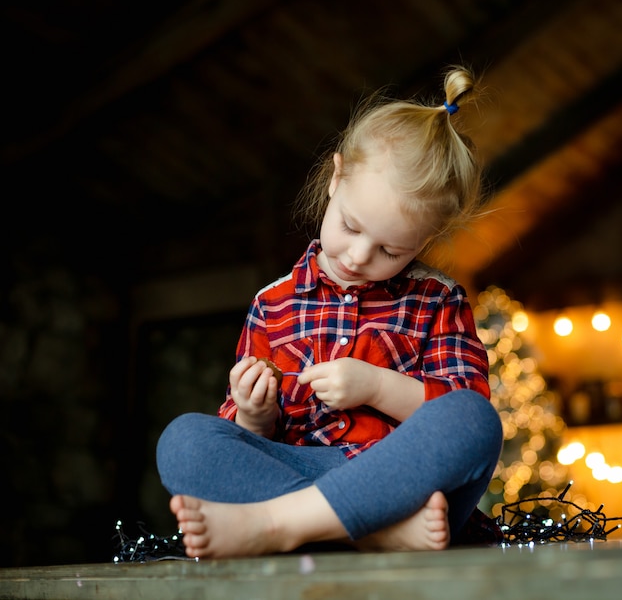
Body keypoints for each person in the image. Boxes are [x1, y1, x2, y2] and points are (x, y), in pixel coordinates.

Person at [156, 66, 503, 559]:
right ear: (336, 177)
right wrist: (255, 414)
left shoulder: (438, 300)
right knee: (183, 441)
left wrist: (377, 386)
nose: (361, 256)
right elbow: (243, 432)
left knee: (474, 420)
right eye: (351, 226)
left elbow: (459, 408)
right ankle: (377, 533)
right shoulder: (271, 303)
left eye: (391, 251)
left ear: (423, 242)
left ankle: (278, 523)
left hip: (403, 482)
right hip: (302, 470)